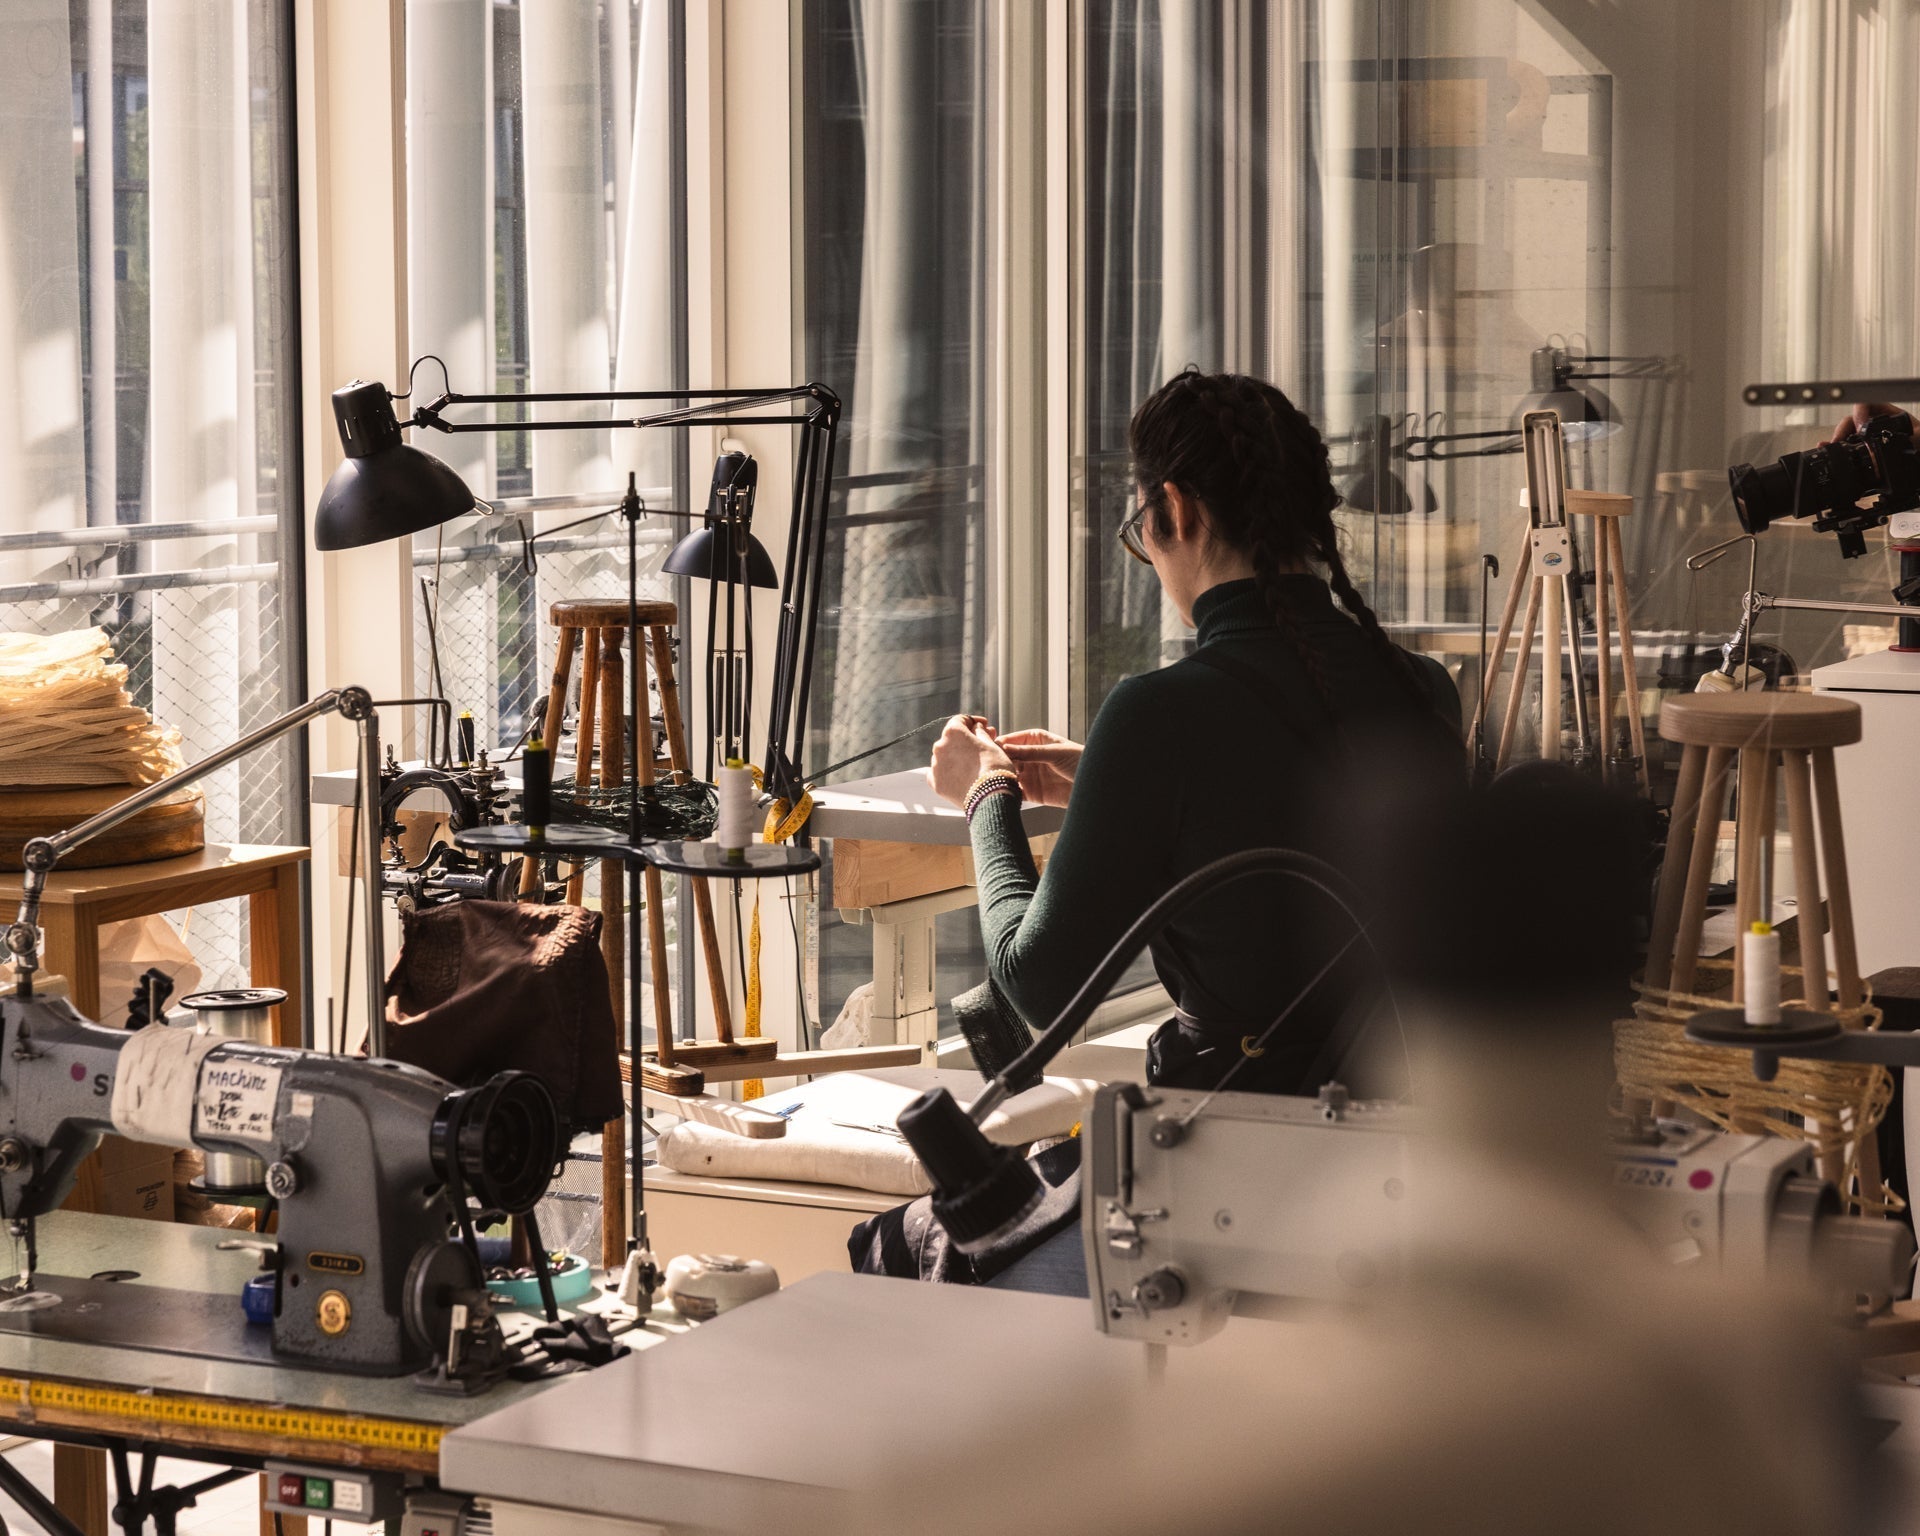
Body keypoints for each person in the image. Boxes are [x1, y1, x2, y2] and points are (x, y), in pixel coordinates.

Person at [926, 369, 1462, 1098]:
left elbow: (1038, 987)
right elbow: (1288, 814)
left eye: (1139, 529)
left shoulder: (1158, 715)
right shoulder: (1424, 688)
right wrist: (1112, 784)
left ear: (1176, 509)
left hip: (1241, 1129)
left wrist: (986, 793)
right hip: (1412, 1114)